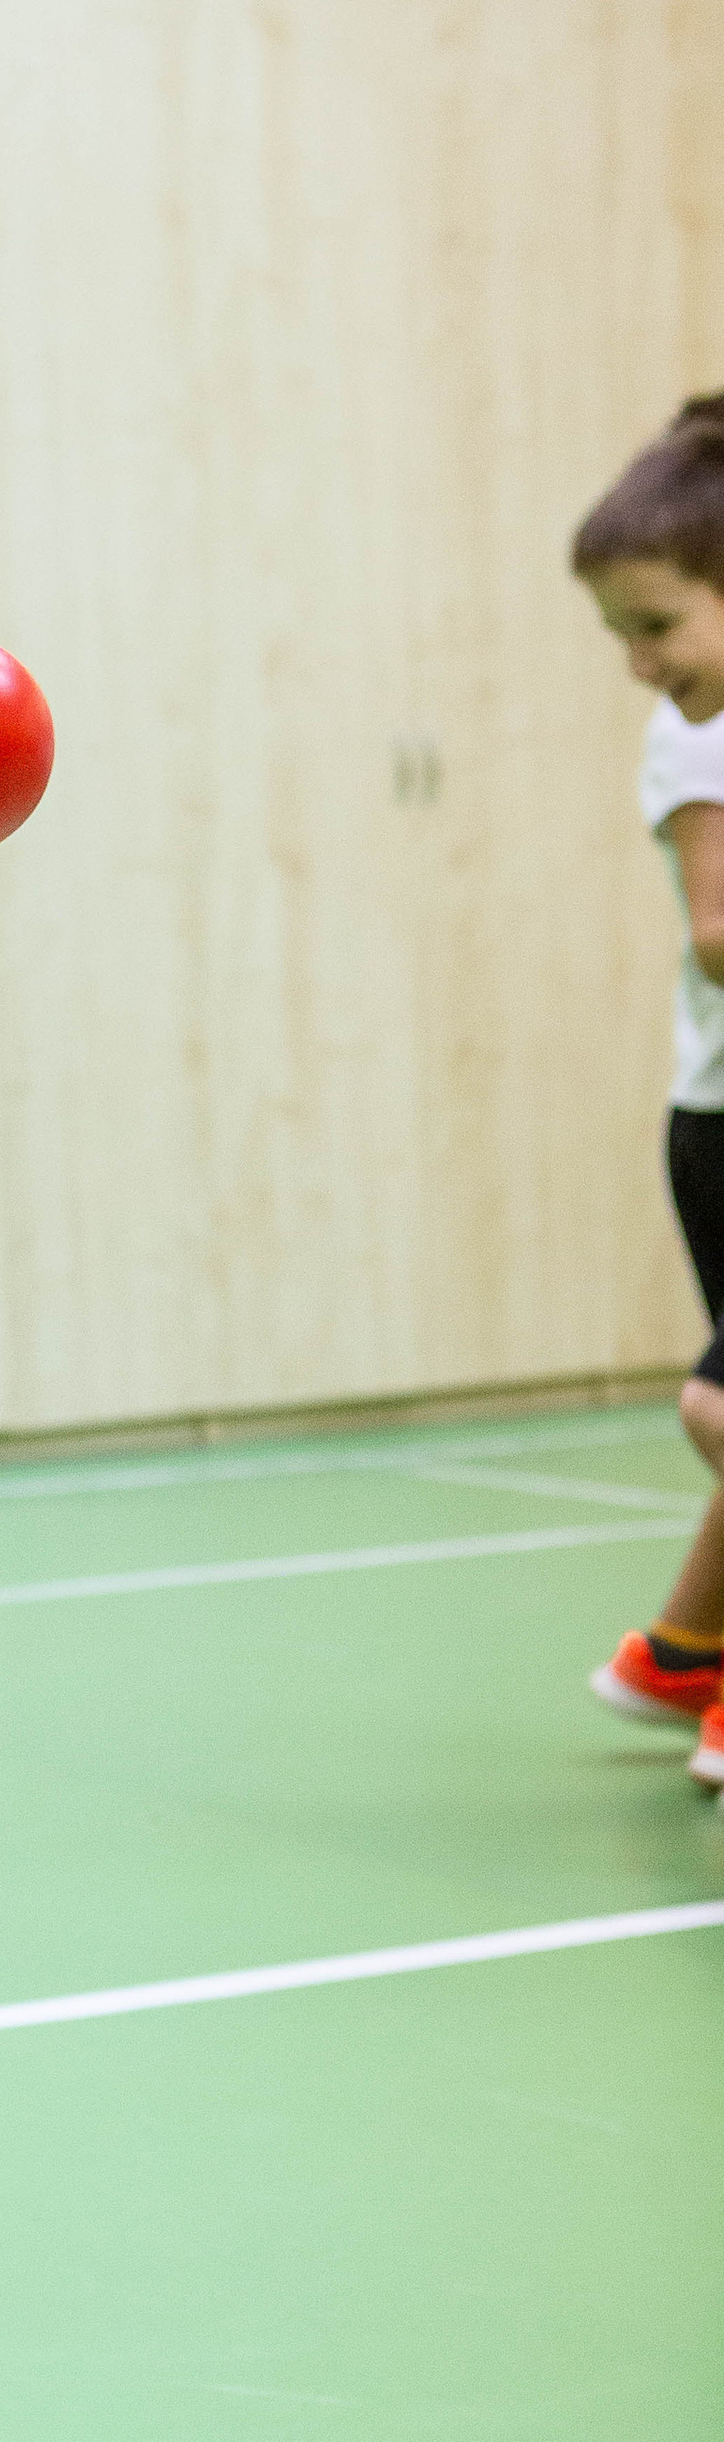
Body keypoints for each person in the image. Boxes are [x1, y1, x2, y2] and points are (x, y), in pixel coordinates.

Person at [573, 393, 724, 1798]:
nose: (638, 661)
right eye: (623, 630)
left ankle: (684, 1649)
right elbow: (719, 934)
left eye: (657, 625)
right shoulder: (697, 735)